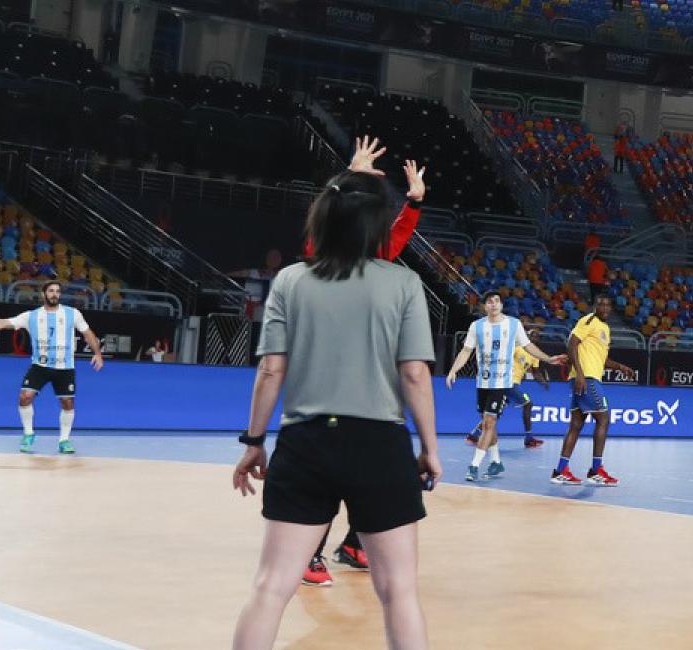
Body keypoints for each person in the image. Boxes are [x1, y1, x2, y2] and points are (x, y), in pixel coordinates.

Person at [229, 166, 441, 650]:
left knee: (270, 587)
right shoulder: (402, 284)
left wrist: (254, 443)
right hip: (380, 445)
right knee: (399, 593)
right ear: (379, 224)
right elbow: (414, 375)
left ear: (322, 218)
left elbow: (270, 372)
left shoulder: (290, 281)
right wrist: (430, 448)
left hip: (304, 443)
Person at [293, 135, 430, 588]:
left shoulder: (382, 262)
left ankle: (354, 543)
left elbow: (396, 237)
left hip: (374, 387)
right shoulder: (323, 258)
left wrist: (412, 203)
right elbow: (323, 223)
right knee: (328, 475)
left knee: (374, 473)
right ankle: (310, 553)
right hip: (328, 387)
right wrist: (349, 177)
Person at [0, 280, 105, 454]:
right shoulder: (31, 316)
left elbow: (88, 333)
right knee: (24, 397)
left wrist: (97, 353)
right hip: (40, 366)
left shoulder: (72, 314)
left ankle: (64, 440)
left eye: (57, 291)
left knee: (67, 402)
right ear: (44, 294)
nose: (55, 294)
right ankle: (28, 434)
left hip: (65, 367)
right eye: (51, 291)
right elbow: (1, 323)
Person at [446, 292, 558, 482]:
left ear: (501, 304)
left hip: (503, 383)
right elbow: (466, 351)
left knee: (489, 423)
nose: (494, 304)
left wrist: (548, 358)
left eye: (497, 301)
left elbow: (528, 346)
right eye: (490, 302)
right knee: (490, 425)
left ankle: (473, 466)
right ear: (485, 307)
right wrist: (453, 370)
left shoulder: (514, 324)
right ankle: (496, 462)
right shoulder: (477, 326)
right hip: (482, 383)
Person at [552, 294, 637, 486]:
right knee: (603, 419)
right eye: (601, 304)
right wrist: (580, 375)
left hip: (586, 377)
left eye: (608, 304)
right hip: (586, 378)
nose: (605, 307)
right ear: (594, 306)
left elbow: (602, 359)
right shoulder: (588, 320)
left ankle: (560, 470)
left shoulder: (605, 328)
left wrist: (621, 367)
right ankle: (596, 470)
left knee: (576, 424)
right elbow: (571, 344)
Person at [468, 326, 554, 449]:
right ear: (527, 336)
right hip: (508, 382)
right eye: (531, 334)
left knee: (496, 413)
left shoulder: (535, 355)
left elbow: (535, 372)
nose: (534, 337)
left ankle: (474, 435)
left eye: (536, 336)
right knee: (528, 404)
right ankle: (529, 438)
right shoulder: (517, 347)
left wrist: (543, 382)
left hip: (514, 383)